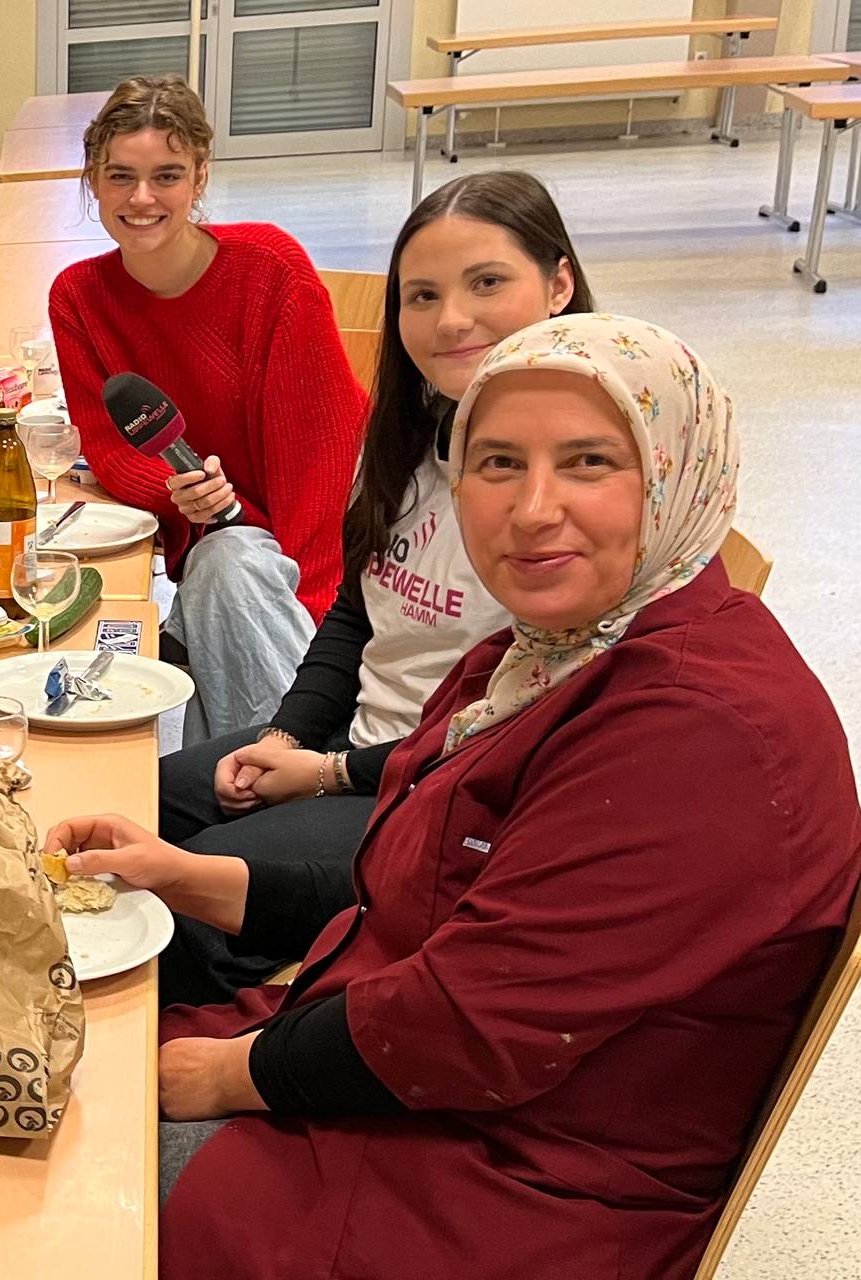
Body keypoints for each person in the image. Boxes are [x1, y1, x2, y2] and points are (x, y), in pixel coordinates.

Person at [48, 316, 861, 1278]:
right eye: (498, 463)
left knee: (60, 1177)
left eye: (591, 462)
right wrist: (190, 877)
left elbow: (469, 1029)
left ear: (678, 476)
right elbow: (416, 884)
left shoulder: (697, 731)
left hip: (516, 1182)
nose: (532, 509)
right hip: (439, 1093)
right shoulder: (550, 653)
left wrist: (233, 1072)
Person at [150, 171, 589, 1004]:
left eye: (487, 283)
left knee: (177, 899)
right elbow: (359, 612)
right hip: (359, 749)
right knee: (138, 803)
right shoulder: (411, 438)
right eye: (421, 295)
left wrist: (330, 773)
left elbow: (520, 728)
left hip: (449, 797)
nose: (450, 318)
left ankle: (193, 1079)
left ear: (559, 284)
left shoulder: (568, 487)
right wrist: (287, 736)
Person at [49, 74, 368, 740]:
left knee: (233, 573)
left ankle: (298, 770)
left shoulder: (269, 270)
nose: (141, 199)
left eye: (166, 175)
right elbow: (107, 446)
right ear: (92, 180)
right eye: (120, 177)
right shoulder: (78, 296)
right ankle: (260, 778)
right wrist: (180, 493)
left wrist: (312, 614)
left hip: (315, 542)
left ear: (200, 177)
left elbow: (324, 459)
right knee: (218, 576)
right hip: (218, 542)